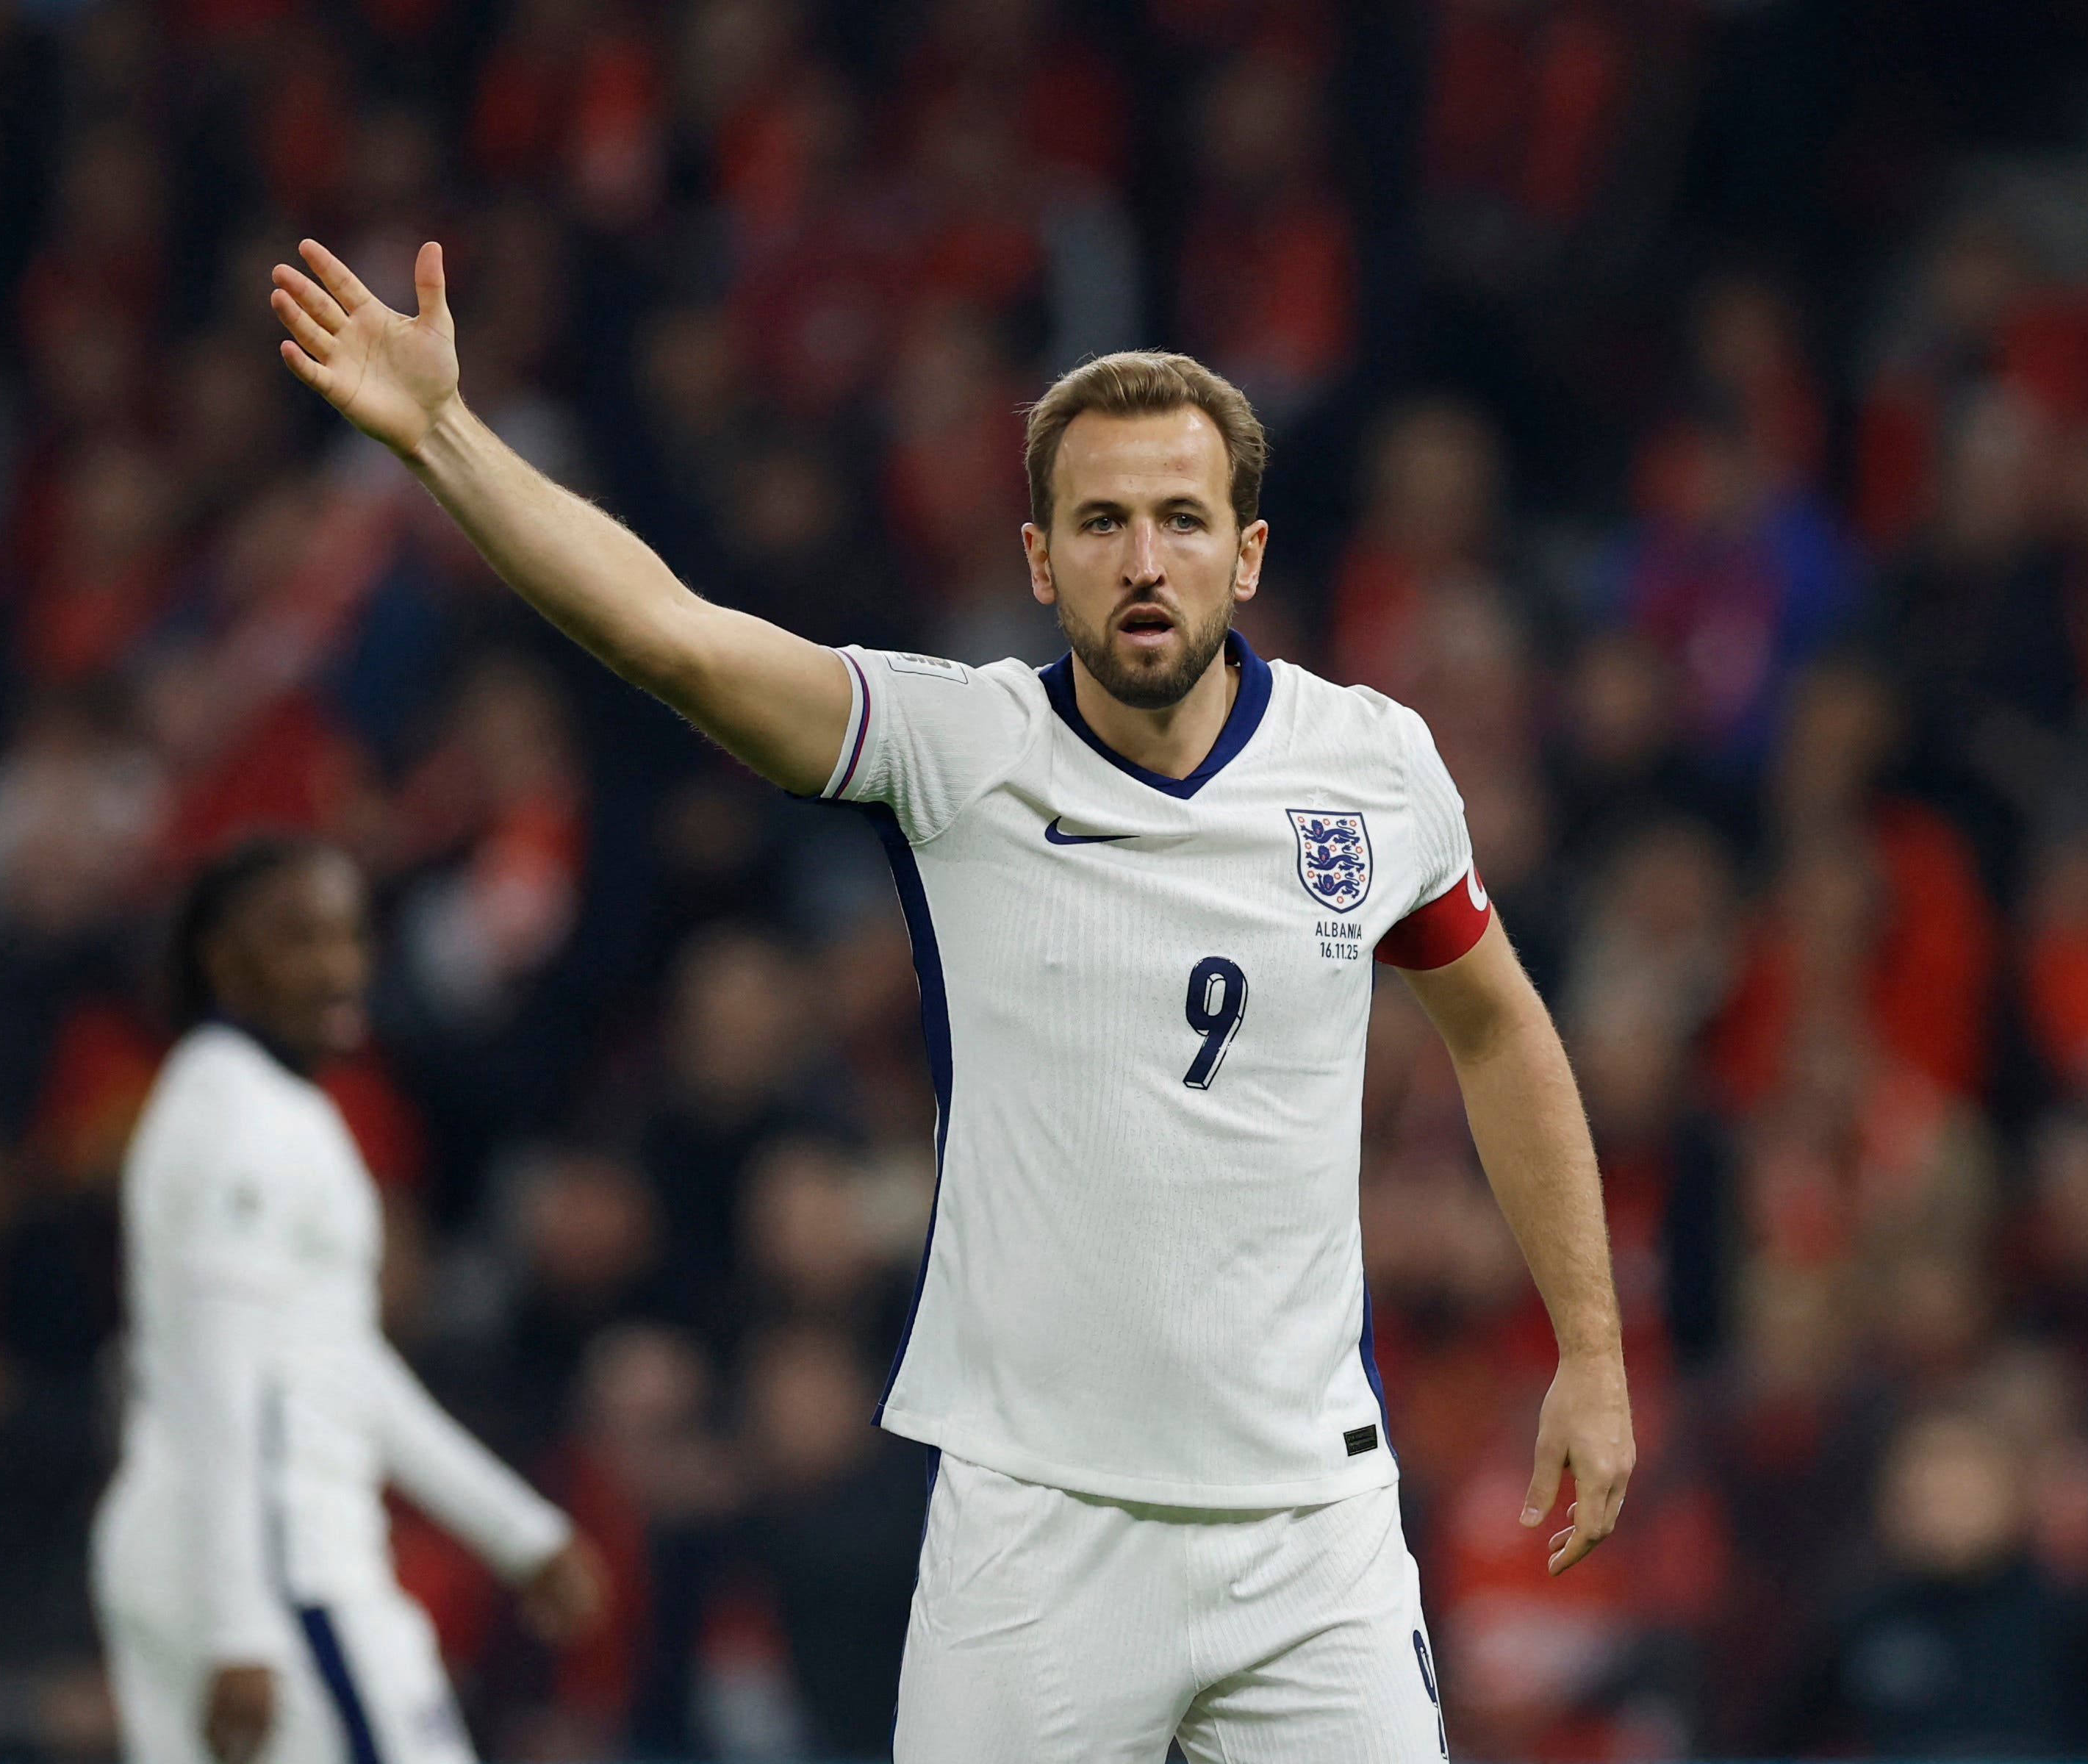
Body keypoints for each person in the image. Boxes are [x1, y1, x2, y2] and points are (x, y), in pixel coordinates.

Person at [268, 238, 1632, 1760]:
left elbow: (1498, 1024)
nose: (1143, 559)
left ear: (1245, 552)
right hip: (1039, 1527)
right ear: (1041, 560)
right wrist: (447, 437)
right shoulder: (956, 752)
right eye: (1101, 521)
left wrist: (1588, 1346)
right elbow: (669, 633)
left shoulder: (1374, 767)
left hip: (1312, 1526)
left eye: (1182, 520)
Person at [91, 835, 604, 1764]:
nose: (338, 967)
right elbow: (224, 1380)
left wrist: (516, 1529)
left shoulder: (261, 1105)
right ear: (222, 959)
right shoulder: (243, 1120)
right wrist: (244, 1629)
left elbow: (333, 1361)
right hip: (275, 1563)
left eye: (349, 937)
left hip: (220, 1546)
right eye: (298, 939)